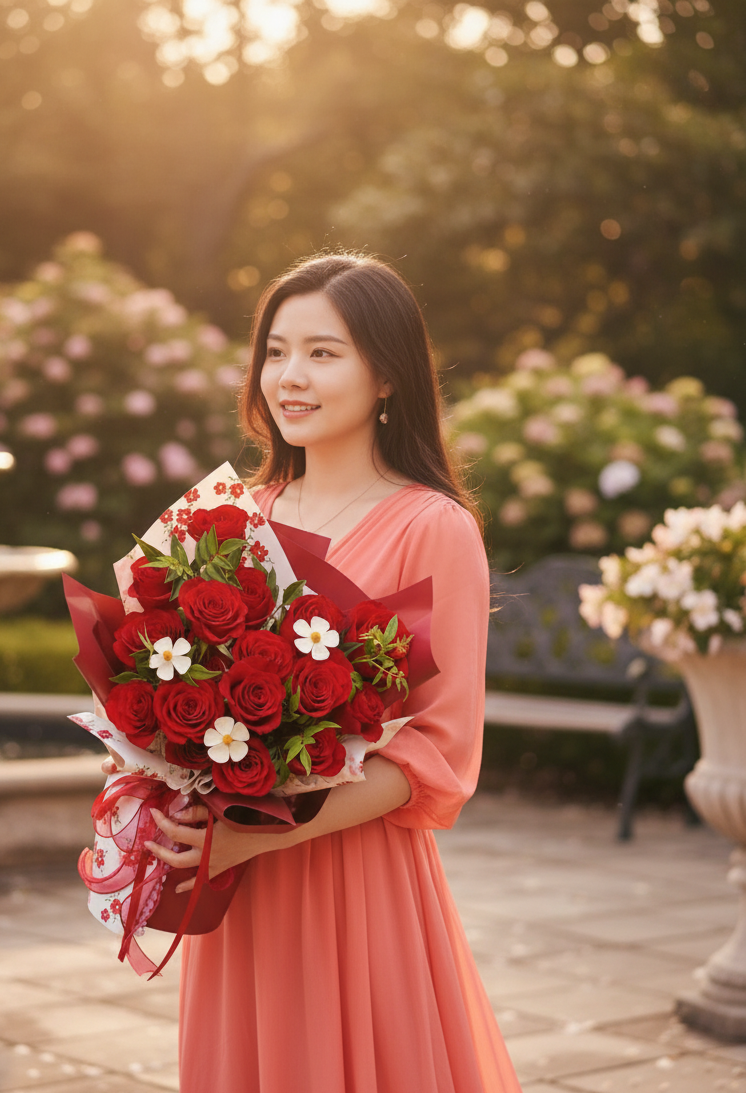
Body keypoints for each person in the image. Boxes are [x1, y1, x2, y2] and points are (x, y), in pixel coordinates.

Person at [142, 254, 522, 1092]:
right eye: (276, 352)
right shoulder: (239, 514)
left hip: (351, 871)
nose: (290, 376)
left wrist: (261, 832)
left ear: (386, 375)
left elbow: (437, 751)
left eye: (323, 353)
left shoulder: (433, 527)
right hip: (236, 875)